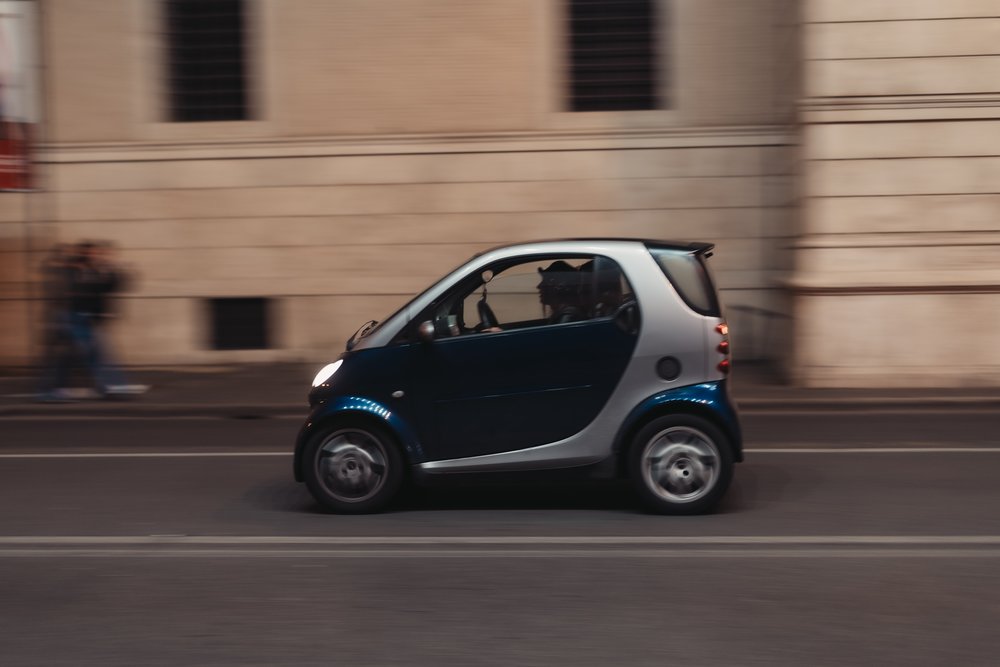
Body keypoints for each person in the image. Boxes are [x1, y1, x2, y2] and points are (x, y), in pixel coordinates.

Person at [66, 240, 147, 398]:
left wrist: (121, 272)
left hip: (94, 316)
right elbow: (86, 292)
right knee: (100, 354)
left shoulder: (97, 270)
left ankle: (108, 386)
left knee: (97, 354)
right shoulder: (80, 270)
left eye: (100, 253)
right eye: (96, 253)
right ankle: (111, 387)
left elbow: (112, 288)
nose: (99, 256)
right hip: (83, 316)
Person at [37, 243, 76, 402]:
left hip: (62, 317)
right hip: (56, 318)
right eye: (64, 256)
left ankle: (57, 389)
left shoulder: (62, 273)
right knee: (53, 358)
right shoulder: (54, 274)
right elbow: (57, 296)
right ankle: (46, 390)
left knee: (63, 357)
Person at [536, 260, 587, 324]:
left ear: (559, 287)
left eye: (545, 281)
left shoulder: (569, 316)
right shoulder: (562, 313)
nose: (539, 286)